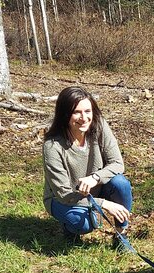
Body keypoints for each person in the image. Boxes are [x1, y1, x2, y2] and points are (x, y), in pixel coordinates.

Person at [42, 86, 132, 247]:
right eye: (77, 112)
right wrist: (104, 204)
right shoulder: (52, 146)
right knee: (83, 224)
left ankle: (121, 236)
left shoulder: (99, 127)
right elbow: (64, 194)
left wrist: (95, 178)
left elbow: (117, 163)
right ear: (64, 114)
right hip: (62, 199)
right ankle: (70, 227)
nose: (84, 118)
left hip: (94, 189)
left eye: (88, 111)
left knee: (121, 184)